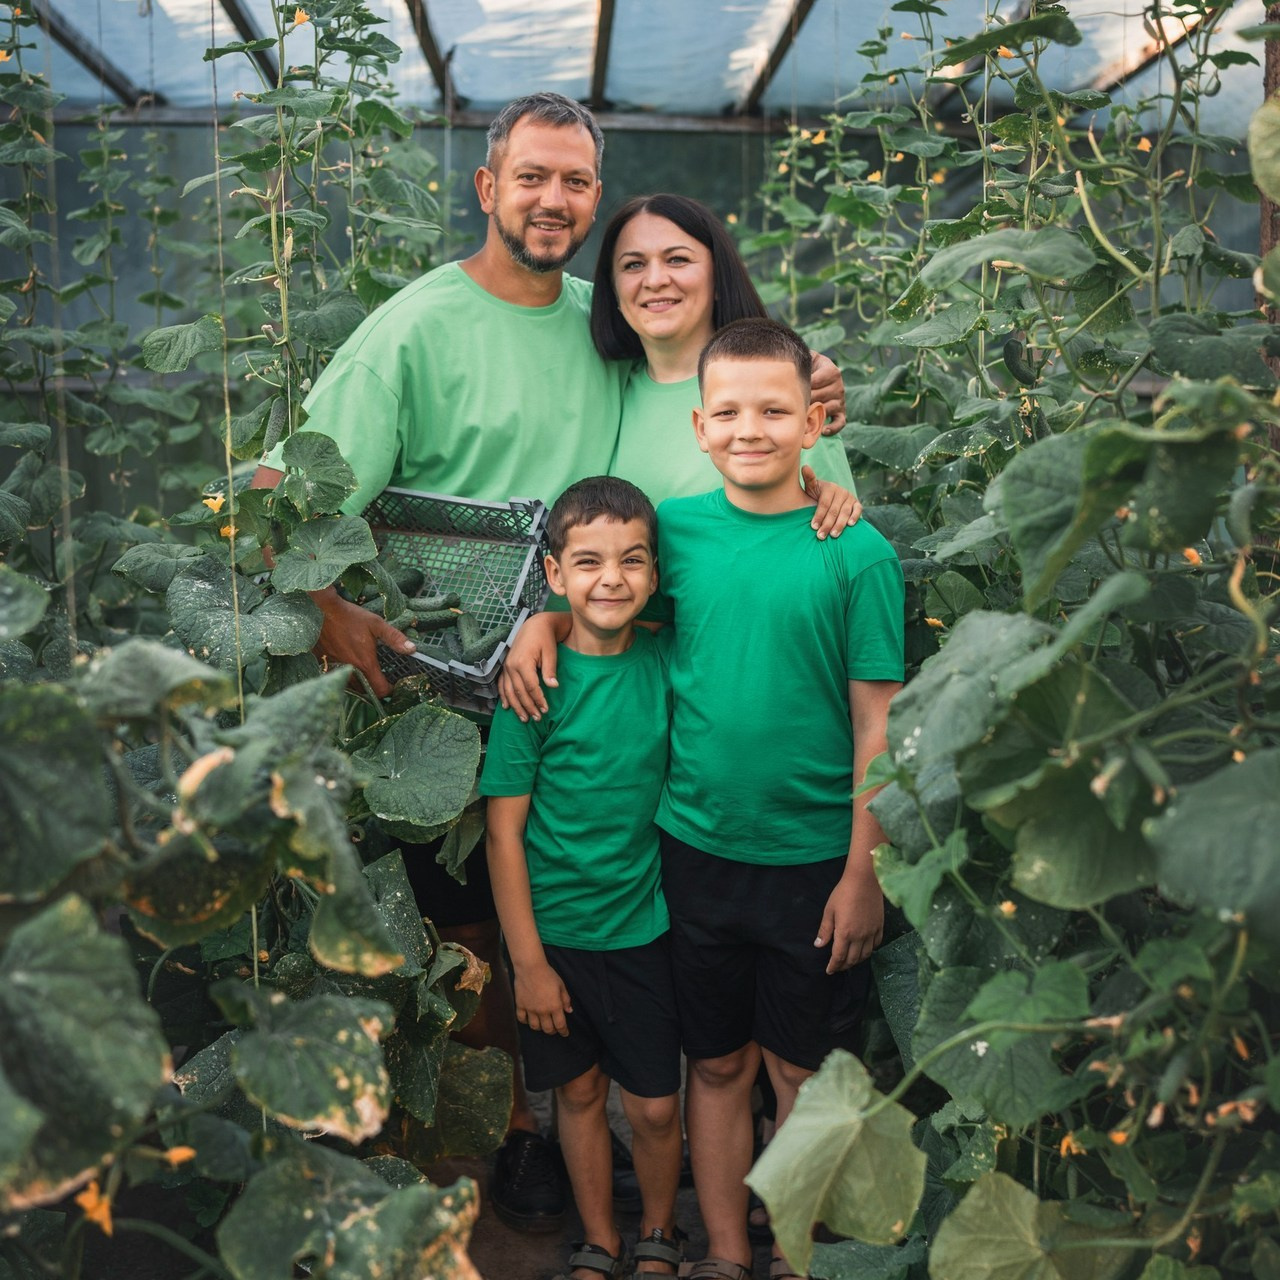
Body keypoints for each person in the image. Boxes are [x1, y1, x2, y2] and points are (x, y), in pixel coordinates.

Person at [249, 93, 848, 1233]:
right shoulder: (417, 327)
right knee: (472, 933)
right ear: (486, 187)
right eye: (531, 177)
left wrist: (813, 382)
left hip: (606, 677)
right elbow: (290, 489)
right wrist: (327, 606)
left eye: (576, 181)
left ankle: (657, 1152)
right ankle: (510, 1143)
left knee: (609, 904)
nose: (553, 200)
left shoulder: (600, 322)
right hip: (437, 690)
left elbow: (713, 377)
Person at [505, 318, 905, 1280]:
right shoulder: (674, 533)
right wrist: (542, 624)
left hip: (815, 862)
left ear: (814, 423)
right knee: (717, 1065)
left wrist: (864, 872)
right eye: (728, 412)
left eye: (775, 411)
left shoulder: (856, 554)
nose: (750, 430)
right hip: (694, 852)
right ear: (698, 427)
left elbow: (879, 733)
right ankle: (724, 1251)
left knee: (799, 1074)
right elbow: (609, 591)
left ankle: (799, 1254)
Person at [502, 193, 861, 710]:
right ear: (613, 292)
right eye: (632, 265)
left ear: (718, 275)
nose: (654, 280)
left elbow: (832, 581)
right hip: (608, 703)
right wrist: (550, 620)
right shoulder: (607, 386)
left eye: (677, 259)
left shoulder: (777, 404)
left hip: (739, 706)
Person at [481, 476, 683, 1280]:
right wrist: (526, 963)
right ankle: (599, 1239)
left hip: (645, 930)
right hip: (554, 939)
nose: (612, 579)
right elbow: (503, 835)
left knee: (657, 1106)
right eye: (589, 562)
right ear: (556, 575)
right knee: (576, 1097)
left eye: (633, 561)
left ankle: (662, 1233)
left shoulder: (667, 658)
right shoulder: (533, 687)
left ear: (655, 575)